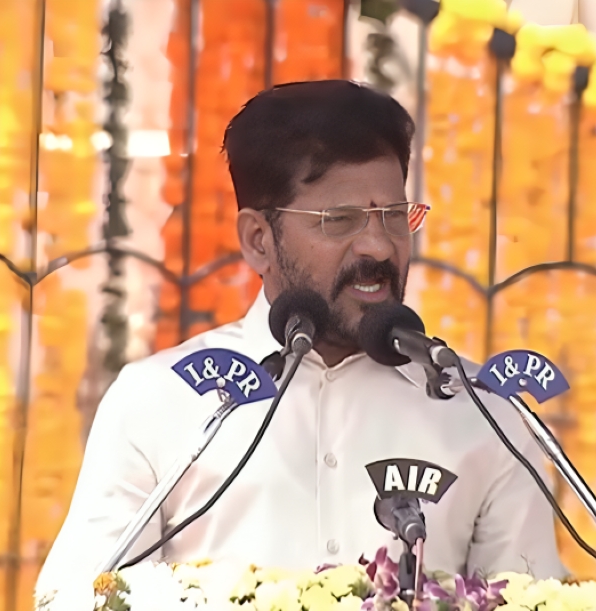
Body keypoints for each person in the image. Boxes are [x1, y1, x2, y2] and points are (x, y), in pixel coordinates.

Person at [35, 80, 566, 605]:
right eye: (339, 221)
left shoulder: (482, 411)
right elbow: (79, 596)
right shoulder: (160, 401)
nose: (378, 248)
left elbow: (533, 595)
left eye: (394, 217)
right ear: (258, 240)